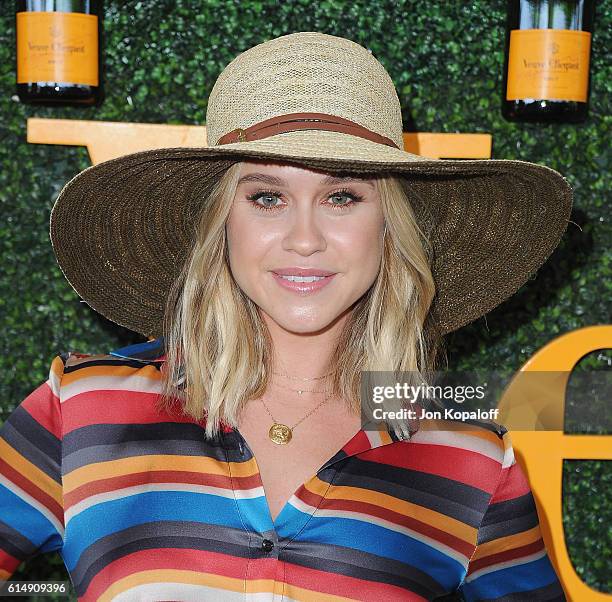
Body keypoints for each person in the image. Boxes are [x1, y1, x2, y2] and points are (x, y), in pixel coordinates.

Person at [0, 31, 571, 601]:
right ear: (220, 222)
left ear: (390, 227)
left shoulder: (468, 453)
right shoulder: (81, 407)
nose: (304, 239)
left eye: (342, 196)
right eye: (267, 197)